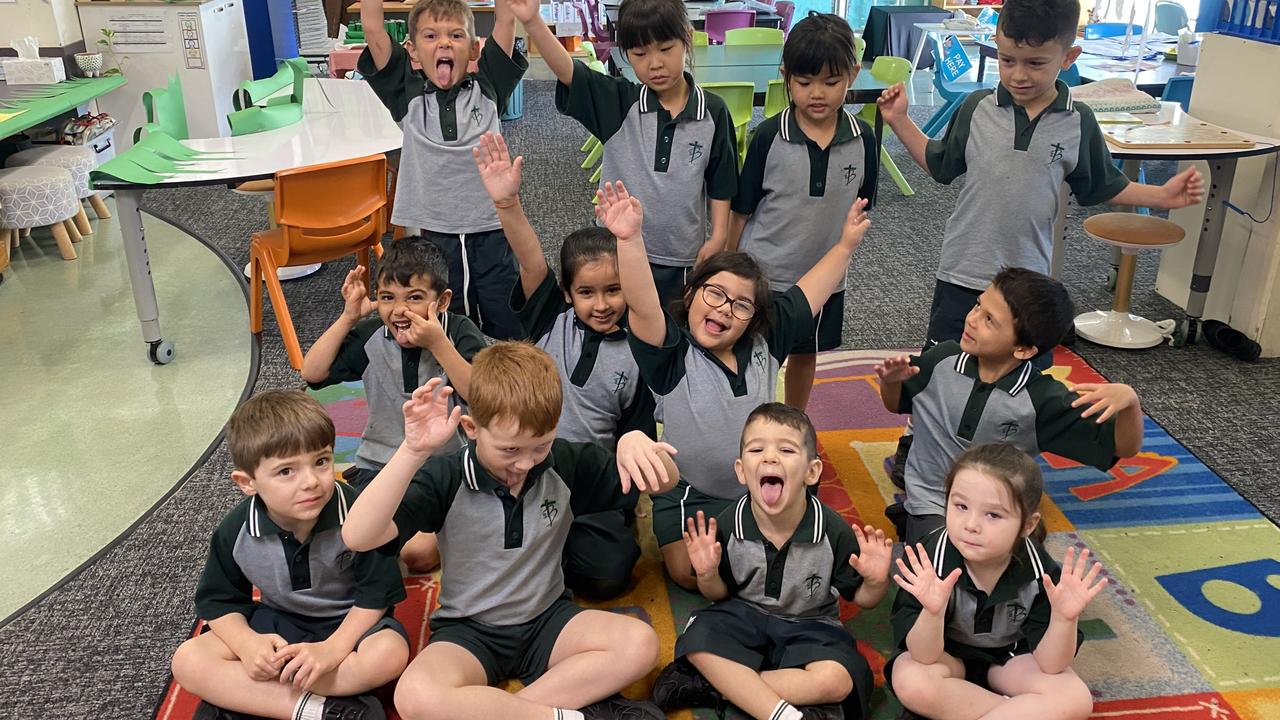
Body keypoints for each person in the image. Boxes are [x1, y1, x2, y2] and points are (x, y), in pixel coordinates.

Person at [875, 0, 1201, 483]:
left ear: (1068, 57)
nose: (1018, 74)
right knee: (941, 369)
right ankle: (918, 443)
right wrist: (901, 120)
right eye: (1008, 60)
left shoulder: (1077, 122)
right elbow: (940, 166)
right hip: (963, 270)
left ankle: (1002, 460)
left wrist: (1162, 195)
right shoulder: (975, 108)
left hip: (1029, 289)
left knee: (1017, 382)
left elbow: (1101, 185)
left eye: (1035, 63)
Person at [341, 343, 681, 720]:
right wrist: (412, 450)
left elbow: (666, 483)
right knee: (414, 695)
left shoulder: (564, 463)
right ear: (471, 428)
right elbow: (358, 536)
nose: (524, 463)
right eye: (509, 449)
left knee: (640, 644)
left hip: (547, 621)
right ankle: (565, 713)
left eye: (539, 446)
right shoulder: (445, 476)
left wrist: (635, 442)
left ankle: (503, 713)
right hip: (468, 631)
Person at [598, 179, 870, 590]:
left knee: (815, 560)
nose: (725, 309)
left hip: (762, 486)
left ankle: (759, 550)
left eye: (740, 304)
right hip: (692, 492)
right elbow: (642, 304)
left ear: (755, 317)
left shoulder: (765, 342)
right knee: (689, 573)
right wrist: (629, 239)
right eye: (715, 294)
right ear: (690, 295)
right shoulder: (671, 355)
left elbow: (809, 293)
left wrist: (846, 245)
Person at [472, 130, 654, 600]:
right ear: (568, 294)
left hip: (593, 481)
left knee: (608, 575)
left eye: (613, 290)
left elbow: (636, 440)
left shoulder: (643, 348)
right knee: (477, 553)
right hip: (528, 464)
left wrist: (625, 499)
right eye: (586, 293)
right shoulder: (553, 318)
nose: (601, 304)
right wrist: (507, 205)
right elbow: (531, 260)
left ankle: (561, 544)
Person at [171, 390, 410, 720]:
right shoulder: (235, 530)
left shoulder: (358, 513)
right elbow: (219, 601)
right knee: (187, 659)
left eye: (321, 461)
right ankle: (317, 709)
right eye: (287, 471)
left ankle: (257, 697)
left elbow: (376, 596)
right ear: (247, 482)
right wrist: (247, 646)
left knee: (389, 654)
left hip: (349, 627)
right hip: (278, 625)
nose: (311, 481)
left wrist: (332, 649)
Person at [652, 402, 893, 720]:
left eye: (786, 450)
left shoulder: (833, 531)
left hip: (811, 624)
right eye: (756, 449)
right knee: (697, 642)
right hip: (742, 614)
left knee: (838, 679)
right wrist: (708, 573)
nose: (769, 457)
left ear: (812, 472)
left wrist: (875, 582)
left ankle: (716, 688)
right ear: (741, 470)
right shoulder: (727, 523)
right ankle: (785, 712)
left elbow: (861, 597)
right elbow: (717, 595)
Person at [875, 267, 1144, 544]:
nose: (972, 319)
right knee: (944, 566)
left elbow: (1124, 447)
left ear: (1024, 350)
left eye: (990, 319)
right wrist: (891, 383)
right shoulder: (941, 359)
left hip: (995, 512)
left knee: (1029, 574)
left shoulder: (1043, 400)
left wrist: (1130, 403)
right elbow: (895, 404)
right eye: (978, 305)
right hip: (930, 502)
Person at [507, 0, 739, 304]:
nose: (654, 64)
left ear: (687, 39)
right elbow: (569, 72)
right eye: (640, 54)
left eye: (666, 49)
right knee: (616, 335)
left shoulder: (713, 112)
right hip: (615, 251)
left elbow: (720, 181)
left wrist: (719, 235)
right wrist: (534, 21)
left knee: (670, 335)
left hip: (681, 259)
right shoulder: (618, 103)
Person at [302, 237, 485, 572]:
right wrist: (347, 317)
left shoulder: (458, 331)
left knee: (420, 554)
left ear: (442, 301)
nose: (399, 310)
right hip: (380, 465)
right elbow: (313, 373)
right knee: (342, 536)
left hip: (447, 468)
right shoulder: (374, 334)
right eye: (388, 298)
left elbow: (482, 396)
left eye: (414, 298)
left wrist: (438, 343)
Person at [887, 443, 1104, 720]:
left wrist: (1064, 619)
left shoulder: (1042, 571)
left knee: (1076, 699)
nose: (971, 525)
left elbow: (1051, 665)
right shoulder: (928, 559)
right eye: (961, 506)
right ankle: (1020, 712)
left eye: (993, 514)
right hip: (947, 656)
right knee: (910, 680)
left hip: (1011, 660)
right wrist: (933, 611)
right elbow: (924, 655)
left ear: (1028, 525)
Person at [728, 12, 878, 411]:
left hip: (825, 277)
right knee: (752, 354)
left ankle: (793, 419)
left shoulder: (864, 138)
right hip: (766, 273)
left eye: (831, 82)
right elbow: (741, 210)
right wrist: (729, 266)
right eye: (805, 81)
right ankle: (745, 420)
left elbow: (862, 204)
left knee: (805, 353)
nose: (818, 93)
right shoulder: (768, 137)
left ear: (853, 74)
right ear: (786, 77)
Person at [357, 0, 527, 339]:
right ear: (413, 51)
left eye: (456, 35)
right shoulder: (405, 92)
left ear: (475, 48)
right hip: (431, 232)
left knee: (508, 318)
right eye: (431, 36)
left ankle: (509, 385)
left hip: (491, 227)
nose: (445, 43)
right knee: (445, 321)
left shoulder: (489, 87)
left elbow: (506, 16)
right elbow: (374, 28)